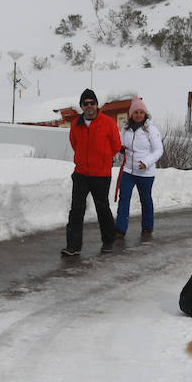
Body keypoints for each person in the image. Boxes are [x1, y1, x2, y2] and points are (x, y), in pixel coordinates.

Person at [61, 88, 122, 257]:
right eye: (85, 103)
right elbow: (74, 143)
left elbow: (116, 145)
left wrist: (102, 158)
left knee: (102, 207)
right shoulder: (76, 124)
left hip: (101, 174)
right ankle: (73, 246)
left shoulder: (108, 123)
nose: (89, 106)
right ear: (81, 106)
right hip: (81, 173)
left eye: (92, 103)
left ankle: (108, 241)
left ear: (97, 105)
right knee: (76, 209)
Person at [115, 95, 163, 239]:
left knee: (145, 199)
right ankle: (120, 230)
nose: (138, 115)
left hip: (145, 173)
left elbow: (158, 150)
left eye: (141, 112)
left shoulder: (151, 130)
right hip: (128, 171)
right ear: (131, 114)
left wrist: (146, 162)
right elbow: (120, 143)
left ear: (145, 114)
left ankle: (147, 227)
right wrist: (121, 148)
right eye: (136, 112)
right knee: (124, 199)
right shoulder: (125, 129)